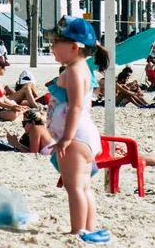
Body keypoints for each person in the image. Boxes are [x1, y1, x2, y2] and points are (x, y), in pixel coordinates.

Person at [46, 15, 111, 240]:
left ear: (74, 47)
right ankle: (89, 229)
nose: (52, 46)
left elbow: (75, 107)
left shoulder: (73, 71)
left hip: (75, 137)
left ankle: (77, 230)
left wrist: (66, 138)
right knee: (84, 187)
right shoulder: (83, 68)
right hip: (85, 135)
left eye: (56, 42)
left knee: (74, 188)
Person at [7, 109, 155, 170]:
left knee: (131, 159)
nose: (23, 128)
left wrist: (16, 144)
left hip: (82, 154)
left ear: (30, 122)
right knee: (132, 156)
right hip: (85, 147)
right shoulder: (46, 129)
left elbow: (33, 153)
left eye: (23, 123)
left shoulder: (35, 130)